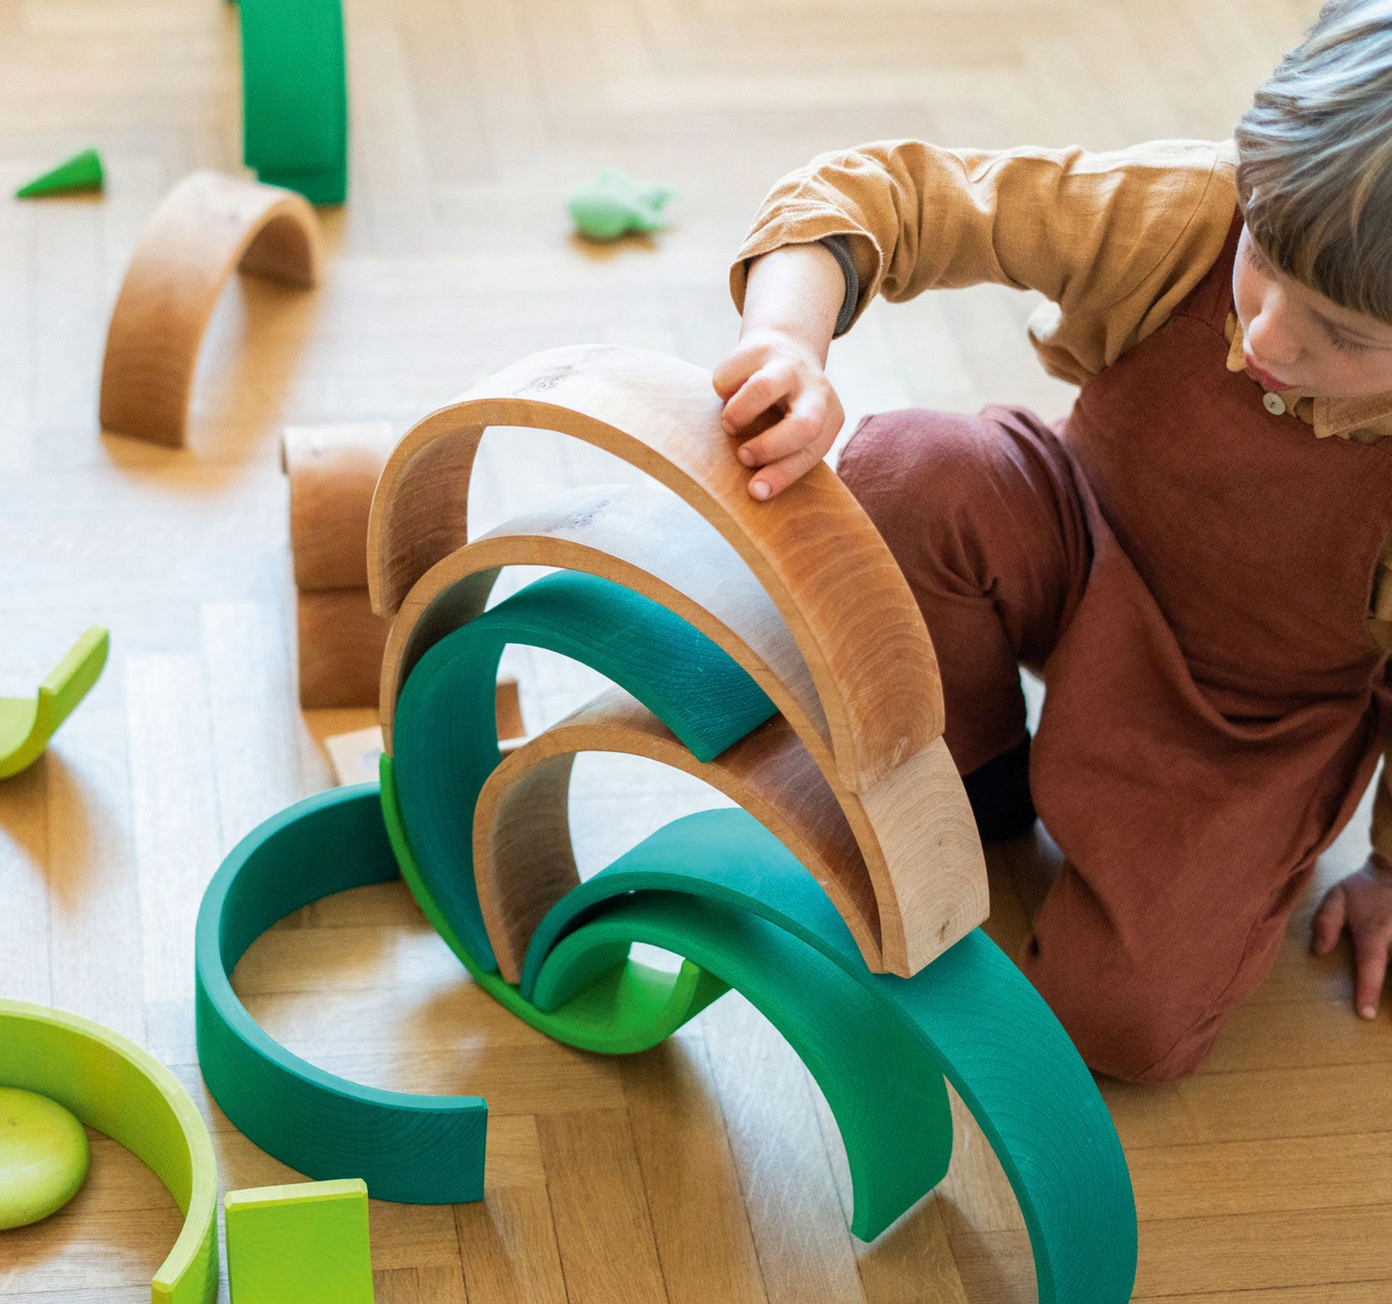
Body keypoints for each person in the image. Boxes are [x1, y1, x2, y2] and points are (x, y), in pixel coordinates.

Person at [713, 0, 1392, 1081]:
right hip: (1076, 530)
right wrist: (786, 337)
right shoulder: (1192, 210)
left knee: (1119, 1022)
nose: (1262, 335)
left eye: (1342, 335)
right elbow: (894, 193)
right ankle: (975, 775)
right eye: (1261, 256)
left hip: (1246, 716)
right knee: (907, 469)